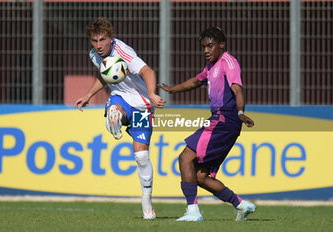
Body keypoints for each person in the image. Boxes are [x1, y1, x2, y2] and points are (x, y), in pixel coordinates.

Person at [159, 27, 256, 222]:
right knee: (201, 176)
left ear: (222, 45)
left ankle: (193, 213)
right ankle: (242, 205)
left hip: (224, 119)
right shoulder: (211, 67)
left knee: (185, 158)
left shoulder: (229, 62)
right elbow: (195, 81)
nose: (206, 50)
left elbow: (237, 89)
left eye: (210, 46)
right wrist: (171, 89)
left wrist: (240, 112)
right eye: (203, 47)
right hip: (223, 121)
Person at [74, 17, 166, 220]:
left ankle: (146, 201)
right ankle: (116, 118)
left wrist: (151, 94)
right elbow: (104, 75)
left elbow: (147, 71)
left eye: (102, 40)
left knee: (141, 157)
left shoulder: (123, 52)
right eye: (94, 40)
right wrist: (88, 95)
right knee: (115, 108)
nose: (98, 46)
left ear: (111, 38)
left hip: (143, 105)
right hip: (120, 98)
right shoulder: (94, 55)